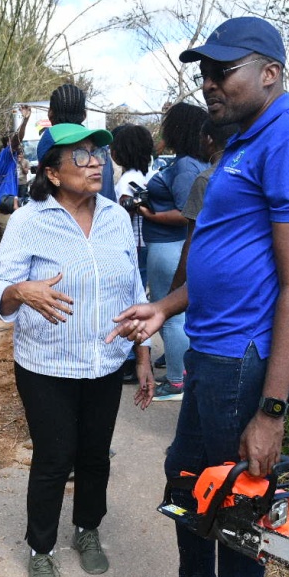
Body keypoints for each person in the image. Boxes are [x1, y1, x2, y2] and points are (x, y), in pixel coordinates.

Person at [107, 16, 289, 577]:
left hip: (248, 359)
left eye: (223, 71)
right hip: (213, 344)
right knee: (186, 473)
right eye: (204, 73)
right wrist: (164, 307)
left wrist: (272, 410)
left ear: (270, 73)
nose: (210, 84)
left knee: (233, 499)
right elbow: (221, 250)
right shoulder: (239, 142)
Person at [0, 123, 154, 577]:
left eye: (97, 152)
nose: (95, 161)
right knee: (55, 457)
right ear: (53, 173)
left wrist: (141, 354)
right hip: (46, 364)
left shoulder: (117, 218)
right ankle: (41, 549)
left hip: (106, 359)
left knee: (95, 454)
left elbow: (134, 290)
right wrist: (21, 291)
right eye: (79, 156)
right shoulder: (29, 220)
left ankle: (87, 528)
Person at [132, 103, 208, 402]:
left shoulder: (187, 165)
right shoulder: (186, 161)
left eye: (168, 124)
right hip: (168, 246)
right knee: (174, 314)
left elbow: (186, 213)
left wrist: (149, 215)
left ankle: (177, 382)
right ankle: (179, 374)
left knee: (171, 316)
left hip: (170, 245)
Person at [170, 118, 238, 292]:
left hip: (214, 272)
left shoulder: (206, 179)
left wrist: (174, 288)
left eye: (200, 137)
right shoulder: (247, 171)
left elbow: (193, 240)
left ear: (208, 139)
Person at [110, 124, 154, 383]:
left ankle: (130, 360)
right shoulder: (140, 175)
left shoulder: (128, 181)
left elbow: (125, 213)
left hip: (134, 246)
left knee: (131, 303)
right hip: (143, 243)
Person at [0, 105, 31, 264]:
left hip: (6, 205)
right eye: (14, 142)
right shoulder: (6, 155)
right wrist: (25, 119)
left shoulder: (7, 159)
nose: (19, 146)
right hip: (2, 208)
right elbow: (17, 139)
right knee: (14, 241)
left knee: (0, 245)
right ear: (8, 143)